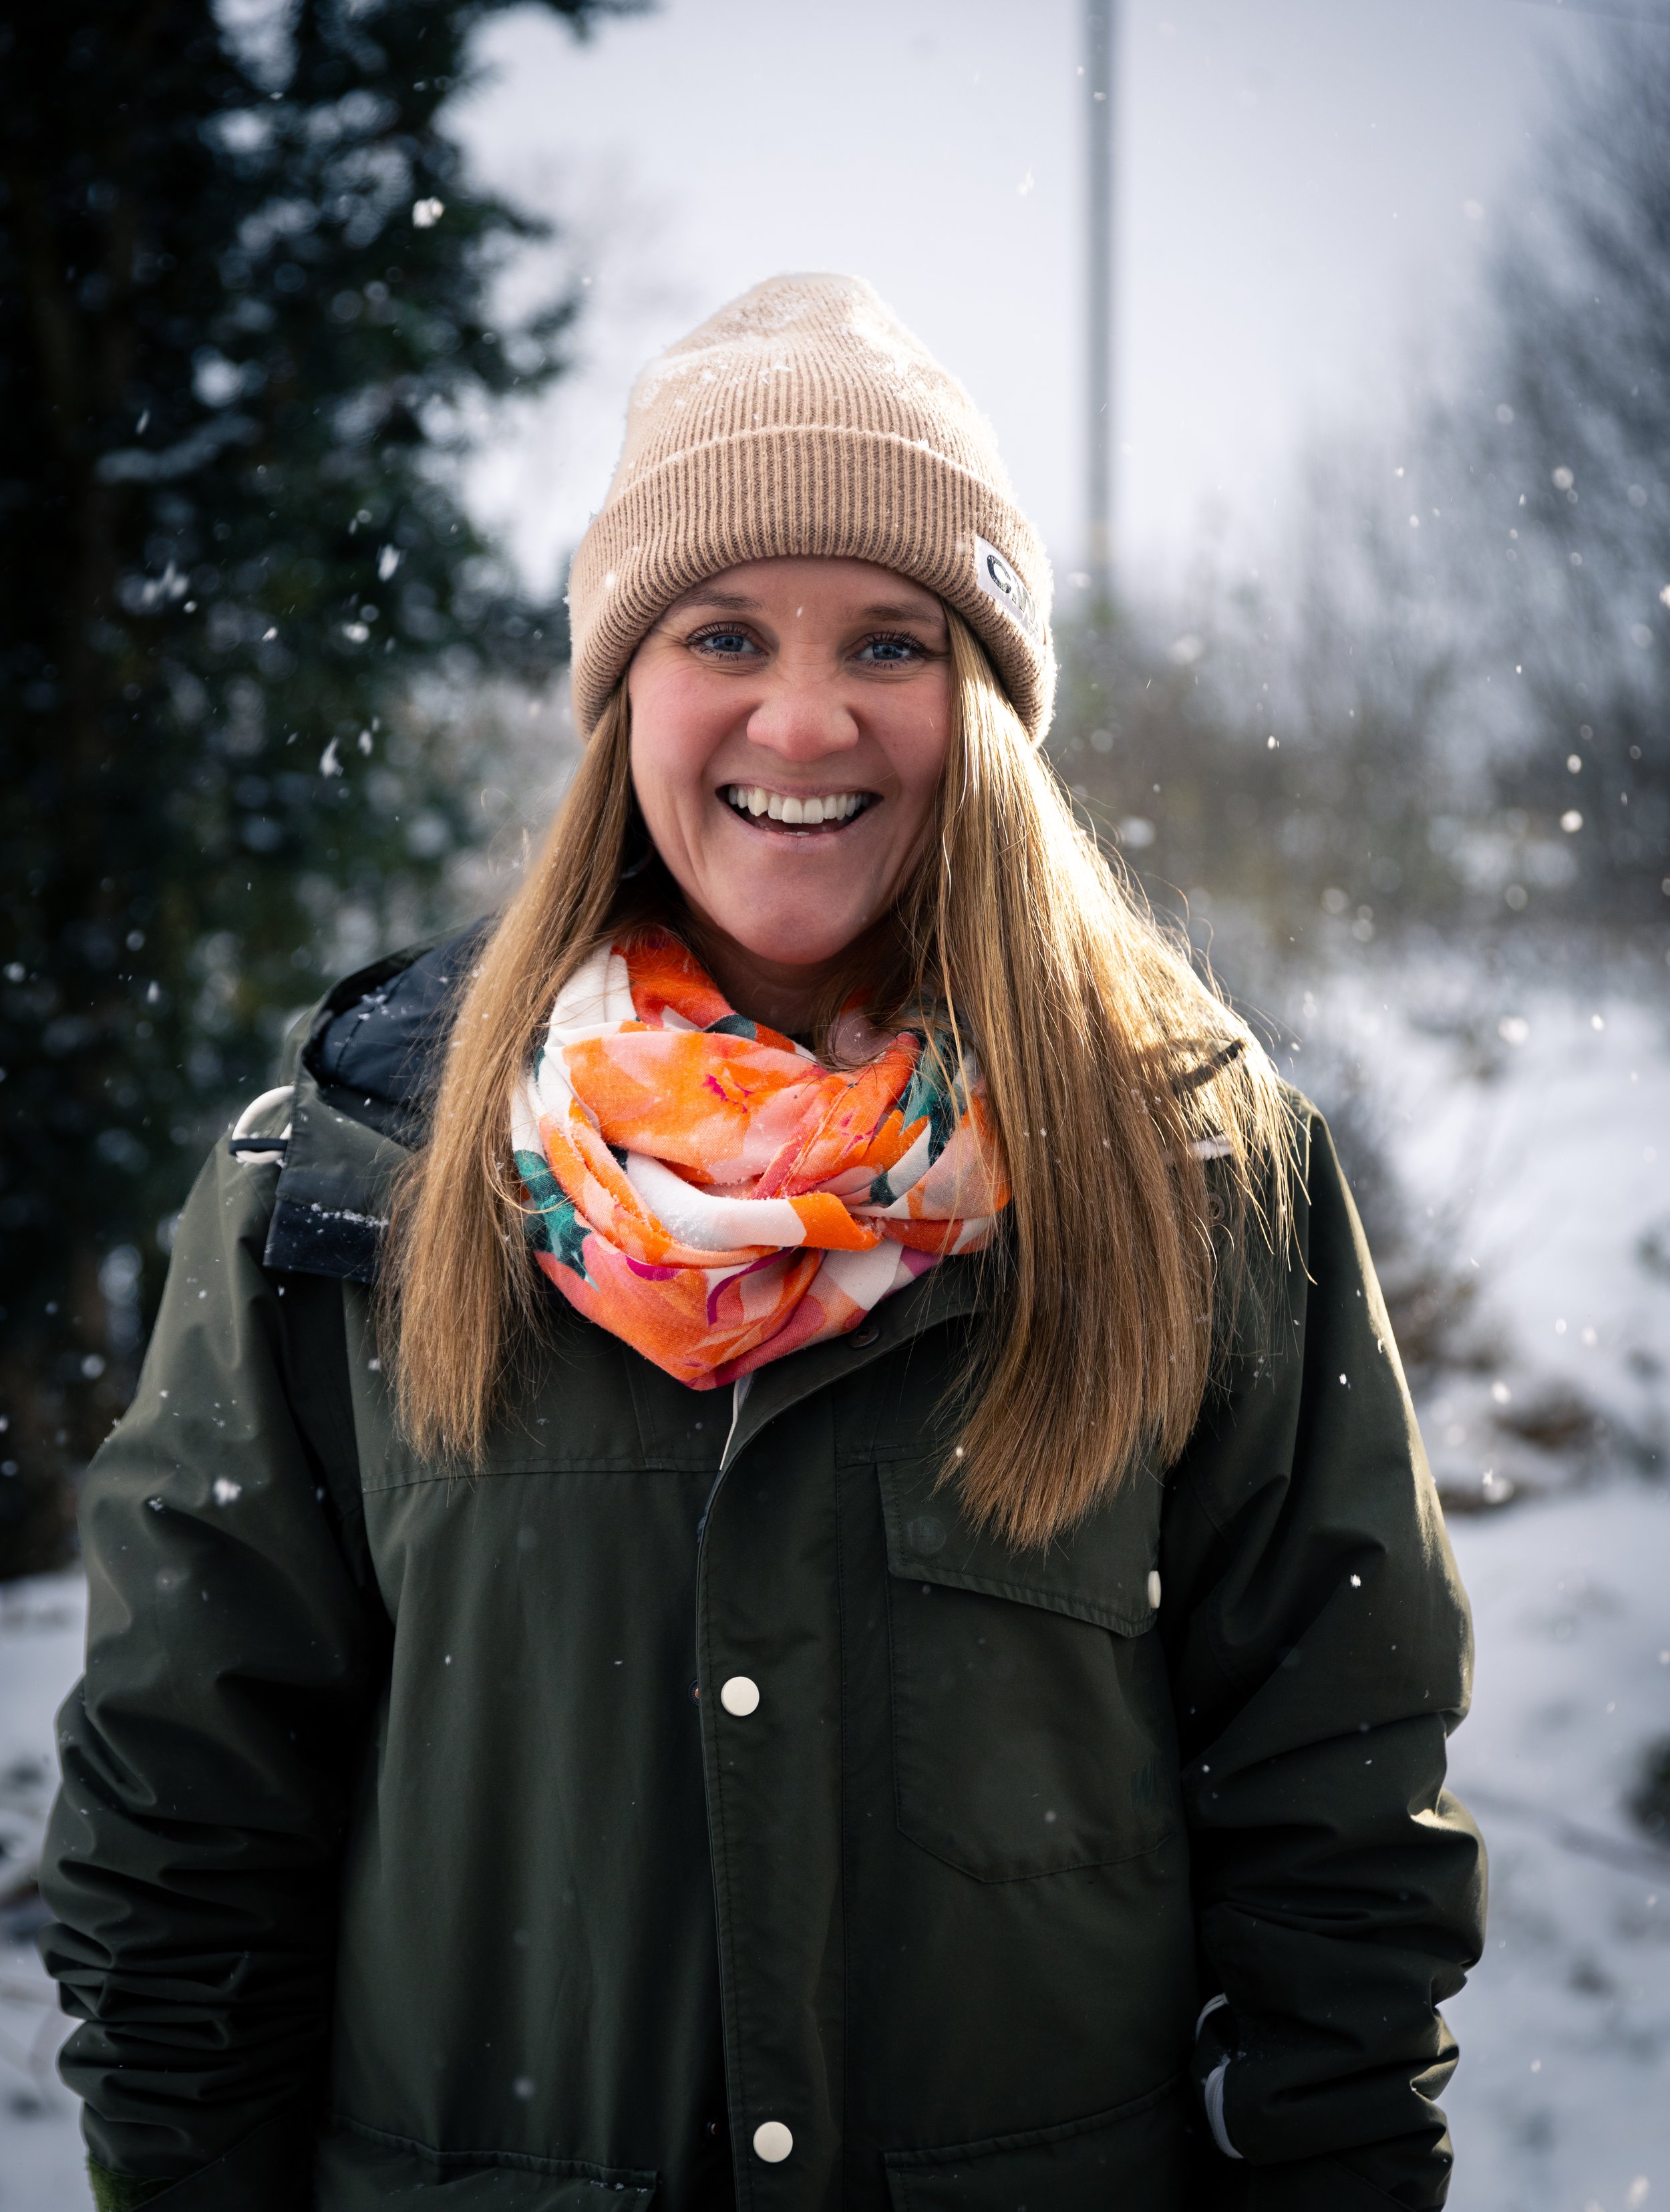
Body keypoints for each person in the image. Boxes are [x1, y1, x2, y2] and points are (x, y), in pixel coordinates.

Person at [40, 274, 1484, 2212]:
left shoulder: (1200, 1172)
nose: (802, 720)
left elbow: (1341, 1828)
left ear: (982, 706)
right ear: (622, 686)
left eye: (889, 641)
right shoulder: (346, 1184)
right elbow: (183, 1838)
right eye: (721, 631)